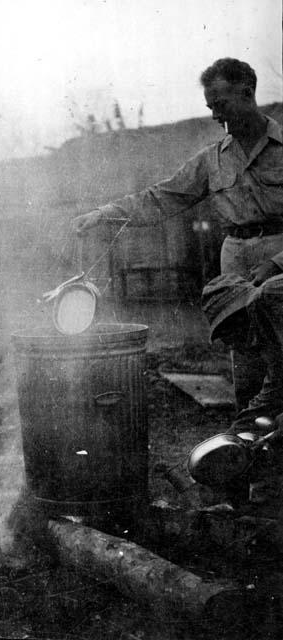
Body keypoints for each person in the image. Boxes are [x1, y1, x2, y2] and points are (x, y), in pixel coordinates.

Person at [73, 58, 283, 410]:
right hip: (236, 262)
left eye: (221, 105)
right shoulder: (211, 160)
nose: (216, 116)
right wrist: (104, 214)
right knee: (245, 359)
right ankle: (247, 445)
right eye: (211, 107)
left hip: (279, 255)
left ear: (247, 94)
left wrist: (277, 263)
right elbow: (162, 197)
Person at [201, 273, 283, 507]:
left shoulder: (269, 298)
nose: (229, 344)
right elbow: (276, 385)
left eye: (226, 333)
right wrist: (234, 432)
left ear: (236, 316)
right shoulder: (269, 336)